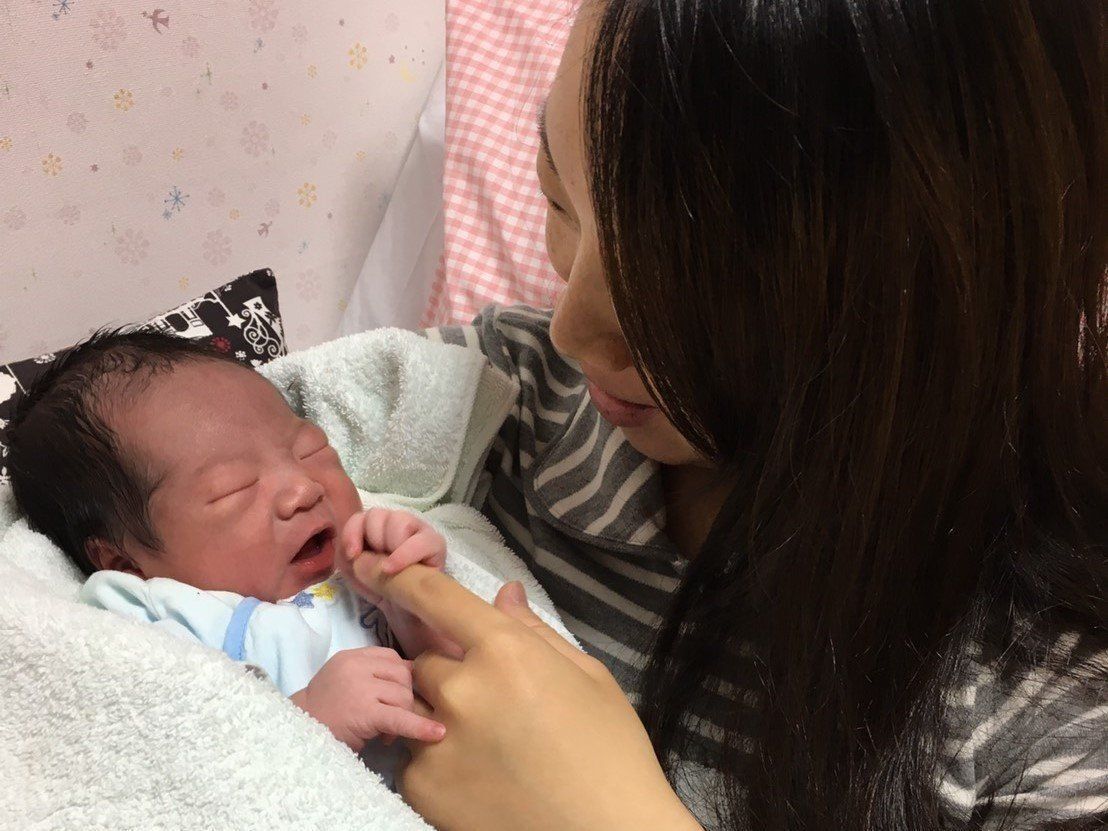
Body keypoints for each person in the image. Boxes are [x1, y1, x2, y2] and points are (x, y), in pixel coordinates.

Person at [337, 0, 1108, 828]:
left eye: (679, 290)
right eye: (559, 202)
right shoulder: (486, 399)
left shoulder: (1056, 712)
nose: (574, 329)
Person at [5, 330, 454, 755]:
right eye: (234, 488)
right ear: (127, 564)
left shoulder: (365, 564)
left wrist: (418, 601)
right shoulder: (170, 622)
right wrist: (311, 720)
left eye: (311, 451)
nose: (304, 488)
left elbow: (466, 675)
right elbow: (179, 755)